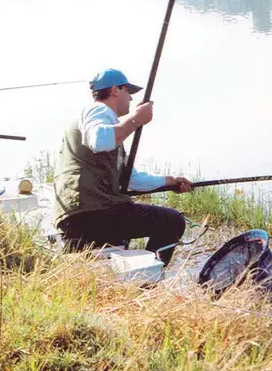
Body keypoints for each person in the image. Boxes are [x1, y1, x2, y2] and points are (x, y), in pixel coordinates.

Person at [53, 68, 193, 266]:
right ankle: (148, 278)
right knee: (172, 221)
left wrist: (170, 181)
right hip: (90, 213)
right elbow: (99, 140)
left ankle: (140, 273)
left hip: (81, 214)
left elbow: (131, 179)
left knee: (128, 224)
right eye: (128, 92)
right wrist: (136, 119)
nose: (130, 99)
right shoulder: (98, 111)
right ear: (115, 91)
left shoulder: (111, 129)